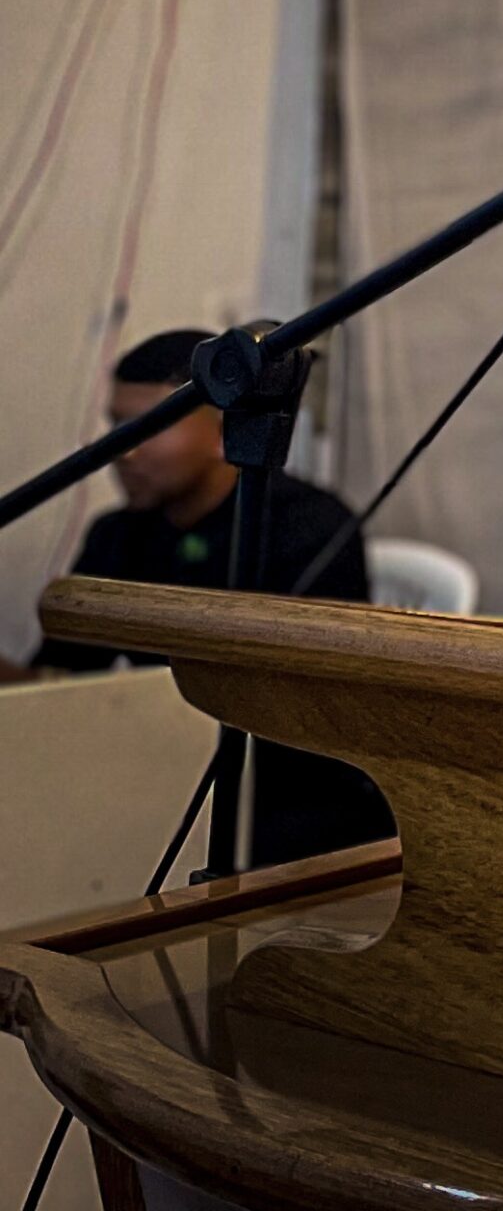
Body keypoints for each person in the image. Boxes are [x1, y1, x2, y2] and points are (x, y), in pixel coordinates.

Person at [5, 328, 395, 868]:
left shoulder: (309, 527)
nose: (125, 450)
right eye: (117, 426)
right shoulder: (118, 534)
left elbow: (301, 725)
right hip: (155, 775)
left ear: (223, 431)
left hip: (285, 804)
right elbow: (62, 681)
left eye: (150, 426)